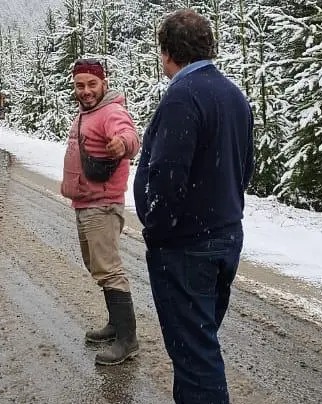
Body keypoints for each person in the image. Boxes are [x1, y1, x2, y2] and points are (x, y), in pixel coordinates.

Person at [133, 9, 254, 404]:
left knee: (196, 358)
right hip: (224, 237)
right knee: (198, 345)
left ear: (167, 52)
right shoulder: (233, 95)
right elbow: (244, 167)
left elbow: (167, 176)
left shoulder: (183, 96)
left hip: (187, 247)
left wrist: (158, 231)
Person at [60, 58, 141, 366]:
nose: (86, 91)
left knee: (109, 269)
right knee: (98, 267)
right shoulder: (87, 112)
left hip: (102, 205)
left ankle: (128, 341)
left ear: (103, 83)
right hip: (85, 202)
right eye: (80, 85)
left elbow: (130, 136)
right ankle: (115, 326)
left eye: (92, 84)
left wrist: (122, 144)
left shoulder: (112, 111)